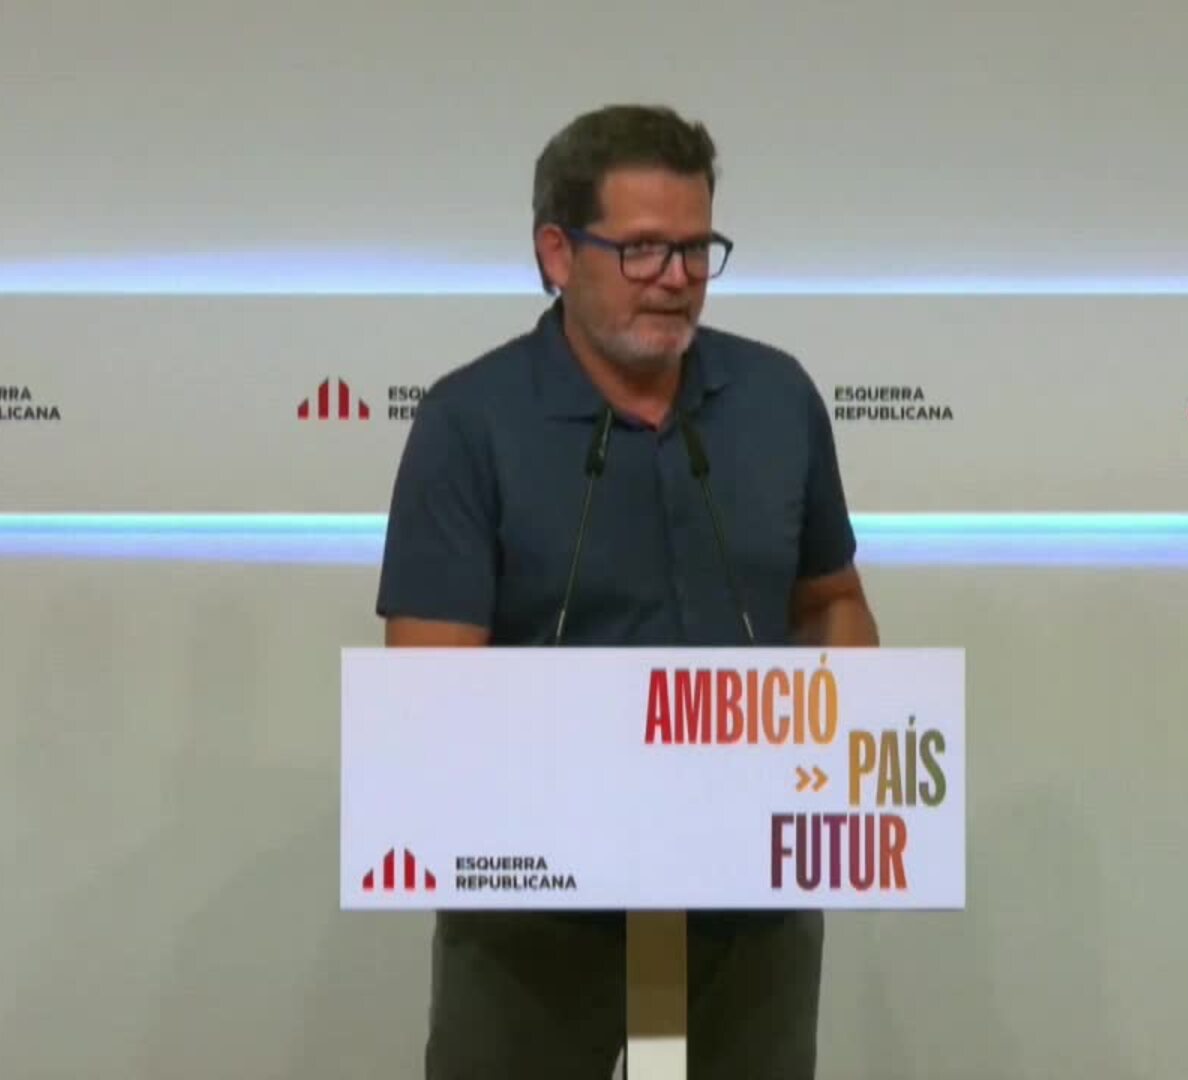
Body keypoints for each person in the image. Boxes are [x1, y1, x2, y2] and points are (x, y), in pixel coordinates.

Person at [375, 103, 880, 1080]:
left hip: (749, 898)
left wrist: (853, 745)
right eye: (644, 249)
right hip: (535, 914)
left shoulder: (778, 399)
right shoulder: (469, 421)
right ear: (558, 254)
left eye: (696, 250)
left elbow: (830, 599)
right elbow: (430, 691)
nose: (677, 279)